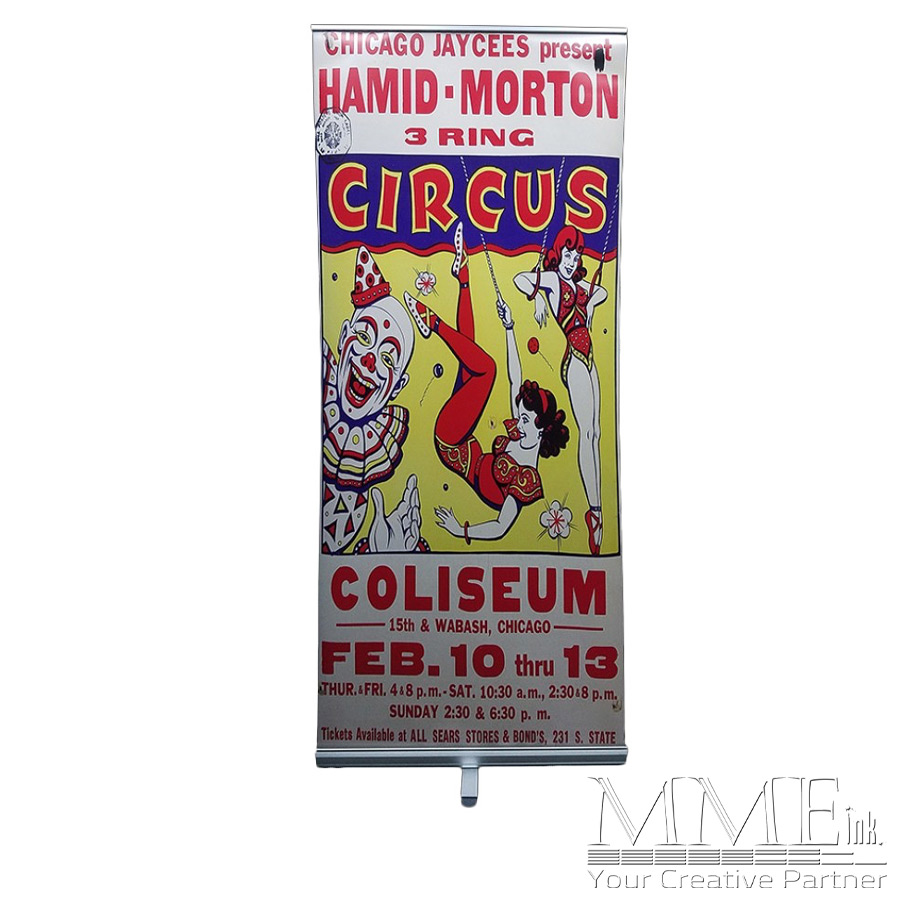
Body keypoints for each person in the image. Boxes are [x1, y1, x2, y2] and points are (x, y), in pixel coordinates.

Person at [405, 223, 569, 543]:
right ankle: (463, 275)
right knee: (471, 353)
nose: (517, 421)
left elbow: (500, 527)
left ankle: (432, 322)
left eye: (525, 419)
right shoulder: (523, 433)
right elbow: (515, 377)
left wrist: (461, 530)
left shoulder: (526, 478)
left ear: (541, 430)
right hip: (465, 435)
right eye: (521, 416)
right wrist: (509, 327)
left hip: (450, 441)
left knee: (486, 370)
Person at [322, 244, 423, 553]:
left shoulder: (359, 494)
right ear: (343, 337)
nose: (369, 361)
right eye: (364, 337)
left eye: (388, 358)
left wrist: (386, 552)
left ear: (397, 387)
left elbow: (336, 551)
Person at [513, 225, 607, 554]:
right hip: (575, 360)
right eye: (568, 254)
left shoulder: (580, 286)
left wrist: (591, 306)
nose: (572, 261)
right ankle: (595, 511)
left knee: (596, 432)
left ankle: (597, 508)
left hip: (590, 359)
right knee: (586, 432)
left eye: (577, 256)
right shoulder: (554, 281)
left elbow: (601, 293)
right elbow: (521, 279)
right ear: (558, 254)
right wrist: (539, 296)